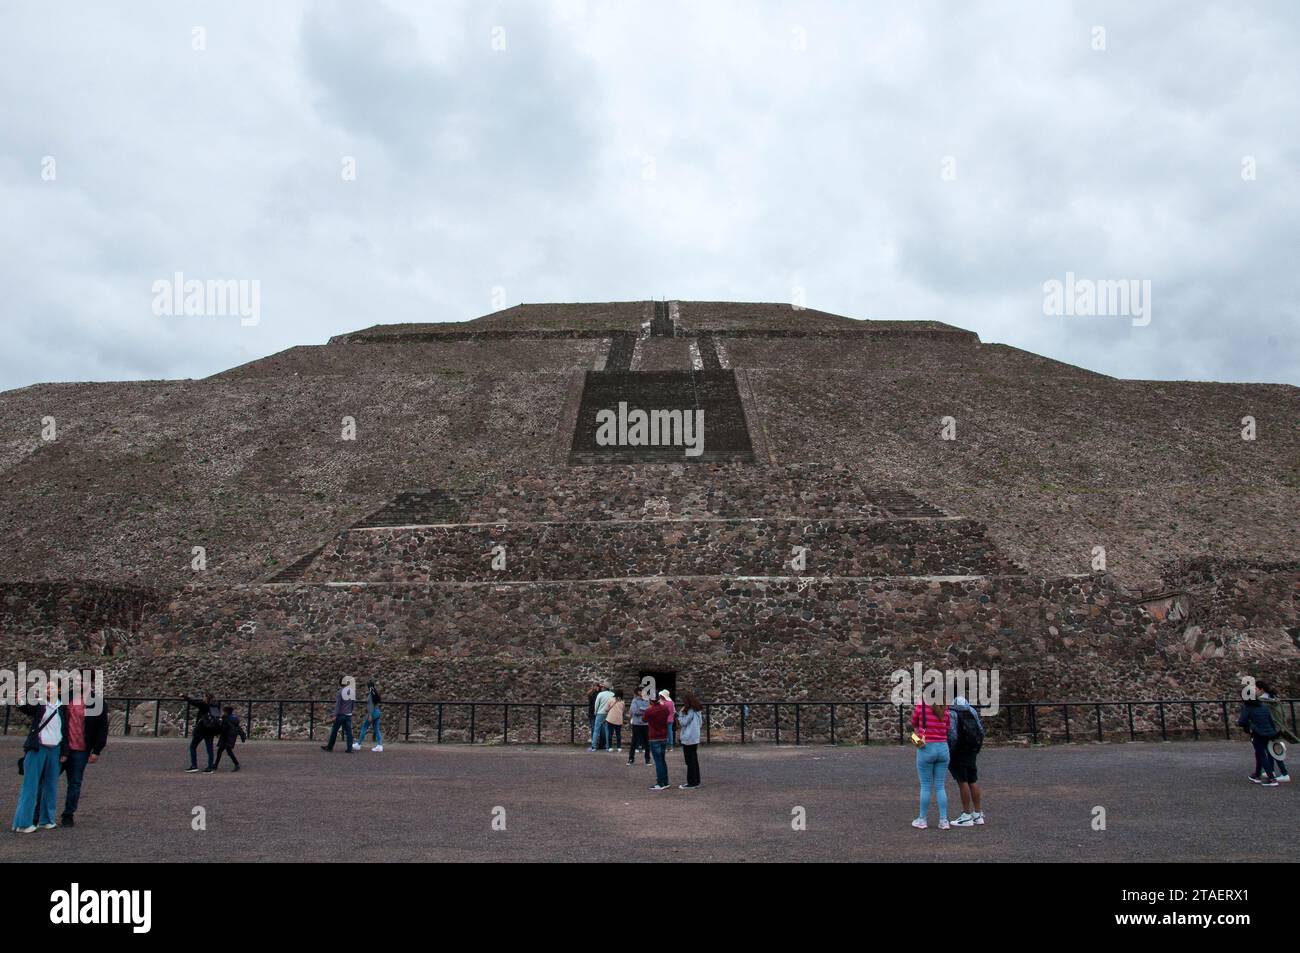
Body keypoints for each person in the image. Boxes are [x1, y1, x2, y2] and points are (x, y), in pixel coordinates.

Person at [12, 682, 66, 833]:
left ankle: (47, 819)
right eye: (47, 688)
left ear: (58, 690)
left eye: (52, 687)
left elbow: (64, 730)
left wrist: (64, 752)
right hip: (38, 747)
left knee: (51, 785)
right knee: (31, 785)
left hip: (55, 749)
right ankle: (23, 823)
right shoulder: (40, 705)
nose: (49, 690)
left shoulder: (61, 708)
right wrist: (20, 700)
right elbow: (26, 708)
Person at [59, 671, 108, 827]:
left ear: (91, 682)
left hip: (81, 749)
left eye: (84, 680)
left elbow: (102, 728)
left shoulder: (97, 702)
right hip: (62, 747)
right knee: (48, 780)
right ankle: (40, 813)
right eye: (78, 680)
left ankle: (68, 814)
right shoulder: (65, 697)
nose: (80, 683)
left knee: (74, 783)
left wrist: (97, 750)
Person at [911, 698, 951, 829]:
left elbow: (913, 722)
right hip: (943, 748)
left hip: (926, 747)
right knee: (940, 786)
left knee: (925, 786)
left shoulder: (921, 705)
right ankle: (944, 820)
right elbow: (948, 726)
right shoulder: (945, 706)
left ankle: (922, 819)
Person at [947, 695, 985, 826]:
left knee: (962, 782)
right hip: (971, 750)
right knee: (972, 781)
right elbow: (981, 730)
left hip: (959, 752)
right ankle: (978, 814)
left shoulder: (953, 713)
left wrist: (950, 752)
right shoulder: (972, 711)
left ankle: (966, 814)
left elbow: (952, 735)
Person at [1239, 685, 1281, 785]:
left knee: (1262, 754)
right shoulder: (1263, 706)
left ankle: (1271, 778)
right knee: (1259, 753)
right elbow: (1270, 720)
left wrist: (1246, 726)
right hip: (1268, 732)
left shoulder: (1247, 707)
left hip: (1258, 733)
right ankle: (1257, 774)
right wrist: (1273, 733)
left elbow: (1242, 721)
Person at [1259, 682, 1295, 783]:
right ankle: (1271, 770)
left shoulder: (1265, 701)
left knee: (1274, 749)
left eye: (1256, 689)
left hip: (1273, 728)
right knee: (1271, 749)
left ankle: (1284, 773)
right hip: (1277, 727)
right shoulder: (1273, 699)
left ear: (1261, 689)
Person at [184, 692, 221, 773]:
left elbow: (192, 702)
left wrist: (184, 696)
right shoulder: (215, 706)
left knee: (193, 746)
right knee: (209, 749)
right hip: (211, 730)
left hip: (201, 729)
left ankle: (194, 765)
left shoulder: (203, 704)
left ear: (206, 698)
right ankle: (210, 767)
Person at [645, 693, 672, 790]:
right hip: (663, 736)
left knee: (658, 761)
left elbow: (644, 719)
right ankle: (665, 781)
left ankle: (660, 783)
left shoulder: (649, 710)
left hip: (654, 737)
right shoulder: (664, 708)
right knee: (662, 760)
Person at [677, 692, 703, 789]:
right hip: (695, 737)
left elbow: (683, 722)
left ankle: (691, 782)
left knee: (689, 761)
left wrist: (680, 714)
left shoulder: (689, 711)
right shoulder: (697, 710)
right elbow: (700, 723)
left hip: (688, 738)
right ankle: (696, 780)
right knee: (694, 760)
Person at [321, 677, 355, 753]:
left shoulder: (340, 692)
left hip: (340, 714)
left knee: (334, 731)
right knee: (349, 732)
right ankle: (350, 748)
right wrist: (351, 711)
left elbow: (338, 705)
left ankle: (330, 747)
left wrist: (334, 715)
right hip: (348, 714)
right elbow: (352, 703)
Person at [213, 706, 247, 771]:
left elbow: (223, 728)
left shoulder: (226, 719)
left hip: (226, 737)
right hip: (230, 737)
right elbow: (238, 728)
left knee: (225, 751)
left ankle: (236, 764)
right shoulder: (234, 719)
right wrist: (243, 736)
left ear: (226, 712)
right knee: (223, 751)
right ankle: (216, 765)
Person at [354, 681, 383, 752]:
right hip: (378, 712)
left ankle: (358, 744)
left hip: (372, 713)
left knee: (364, 727)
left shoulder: (370, 695)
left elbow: (370, 706)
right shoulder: (375, 693)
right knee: (376, 729)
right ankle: (379, 745)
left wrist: (370, 715)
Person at [626, 688, 652, 766]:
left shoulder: (647, 700)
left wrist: (641, 709)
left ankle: (647, 760)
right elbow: (634, 711)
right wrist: (645, 710)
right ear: (638, 692)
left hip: (645, 724)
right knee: (634, 742)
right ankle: (631, 759)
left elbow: (649, 711)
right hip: (636, 724)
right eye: (641, 691)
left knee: (647, 743)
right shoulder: (634, 700)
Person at [590, 684, 614, 751]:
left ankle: (594, 746)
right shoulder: (612, 694)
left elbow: (596, 704)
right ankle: (607, 746)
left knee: (596, 730)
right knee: (607, 730)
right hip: (608, 713)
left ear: (604, 688)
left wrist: (595, 711)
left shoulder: (600, 694)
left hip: (600, 713)